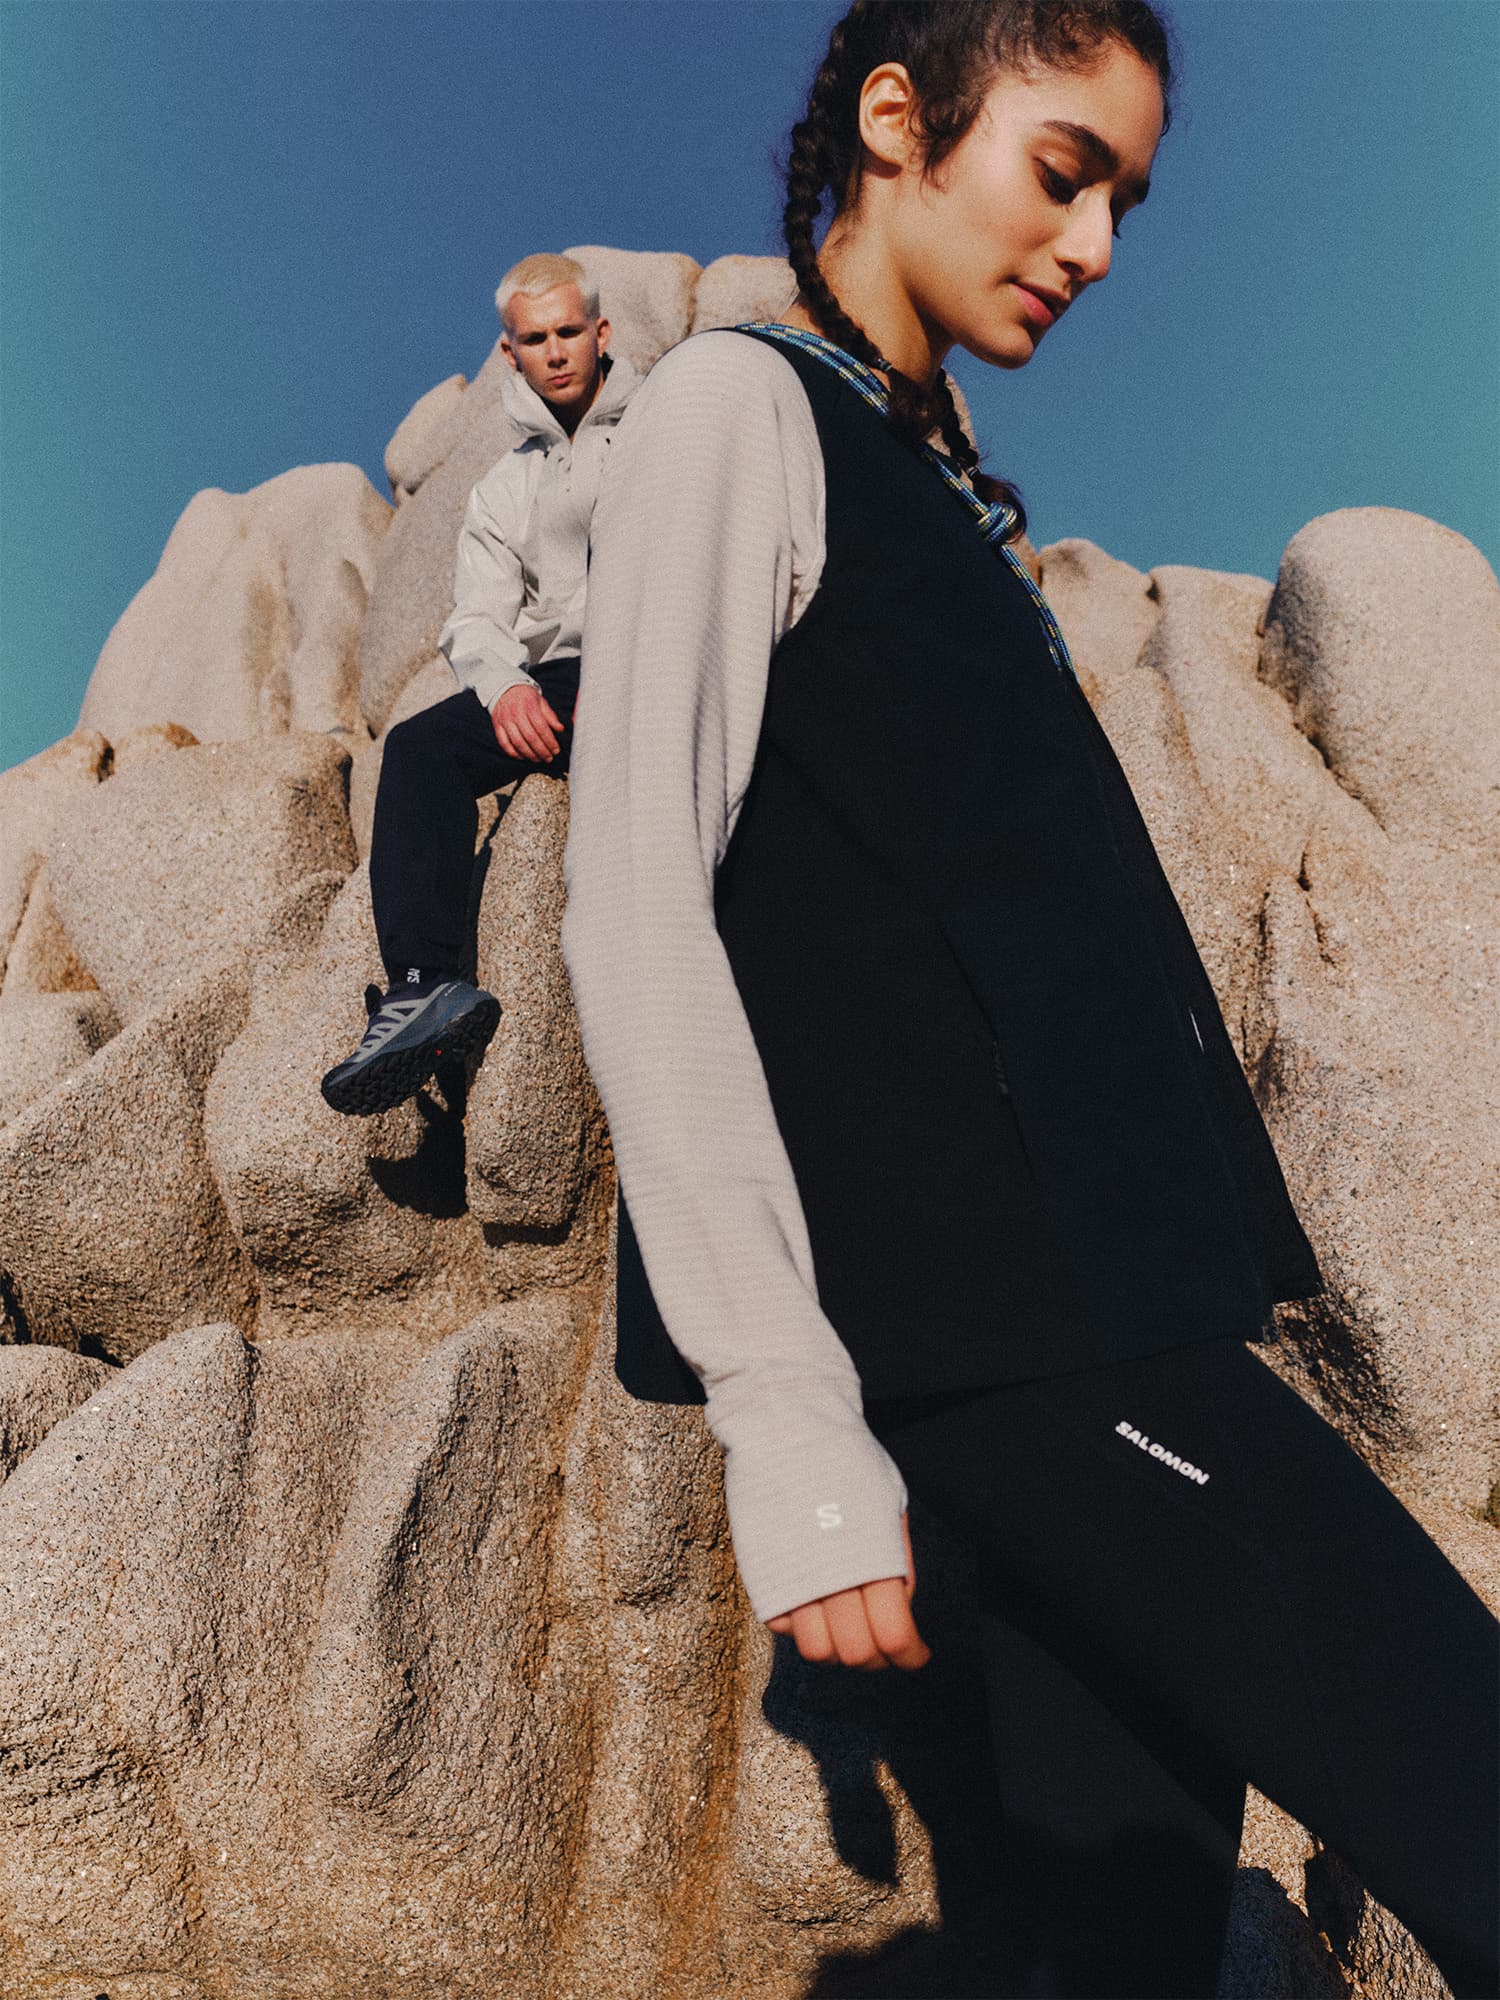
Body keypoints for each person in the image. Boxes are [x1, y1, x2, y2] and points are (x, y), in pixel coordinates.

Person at [559, 5, 1500, 1996]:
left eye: (1127, 204)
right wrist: (789, 1419)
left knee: (1117, 1934)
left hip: (1083, 1316)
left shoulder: (920, 468)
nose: (1095, 249)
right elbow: (636, 898)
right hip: (1014, 1341)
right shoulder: (737, 411)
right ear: (901, 120)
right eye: (1066, 173)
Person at [321, 252, 640, 1115]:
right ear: (510, 354)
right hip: (561, 689)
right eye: (535, 339)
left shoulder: (659, 428)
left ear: (601, 332)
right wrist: (504, 689)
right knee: (420, 748)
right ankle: (424, 988)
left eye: (570, 331)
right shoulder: (504, 488)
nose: (557, 351)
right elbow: (477, 618)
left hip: (656, 660)